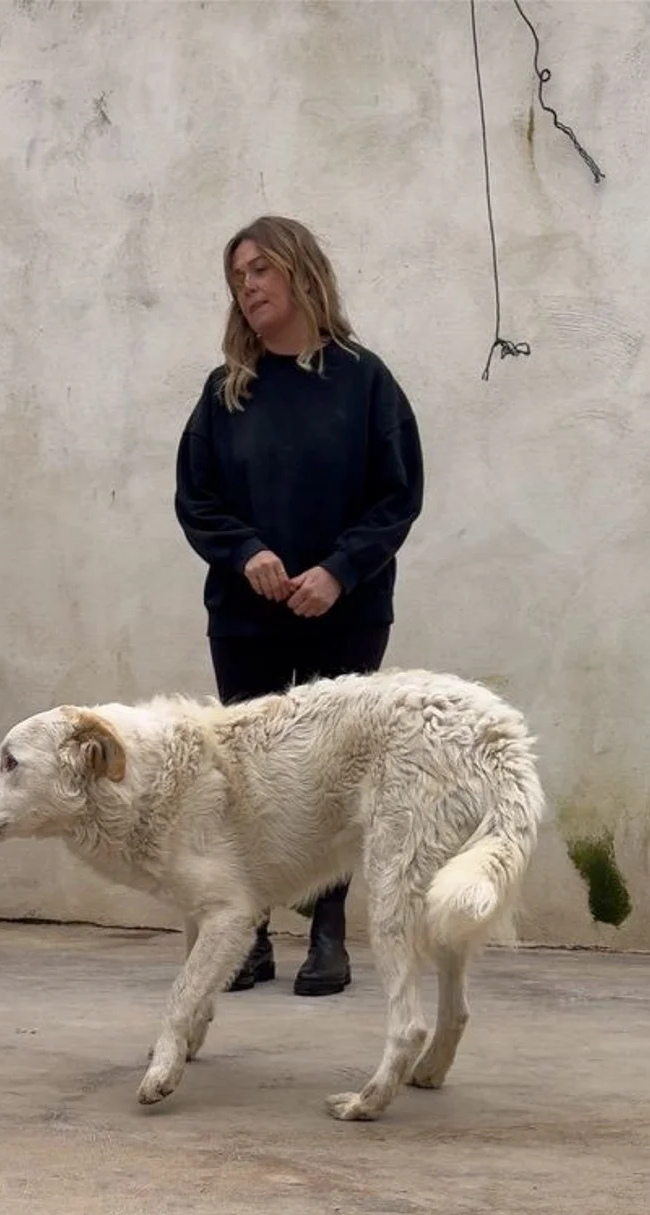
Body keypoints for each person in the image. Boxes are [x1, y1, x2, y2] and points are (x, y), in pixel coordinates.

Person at [175, 215, 424, 995]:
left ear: (299, 270)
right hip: (246, 618)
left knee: (332, 777)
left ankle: (328, 937)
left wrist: (339, 572)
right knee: (245, 779)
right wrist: (245, 552)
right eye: (236, 277)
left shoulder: (365, 381)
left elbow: (397, 495)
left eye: (259, 269)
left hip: (344, 614)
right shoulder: (226, 393)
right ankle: (246, 937)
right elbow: (196, 498)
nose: (246, 287)